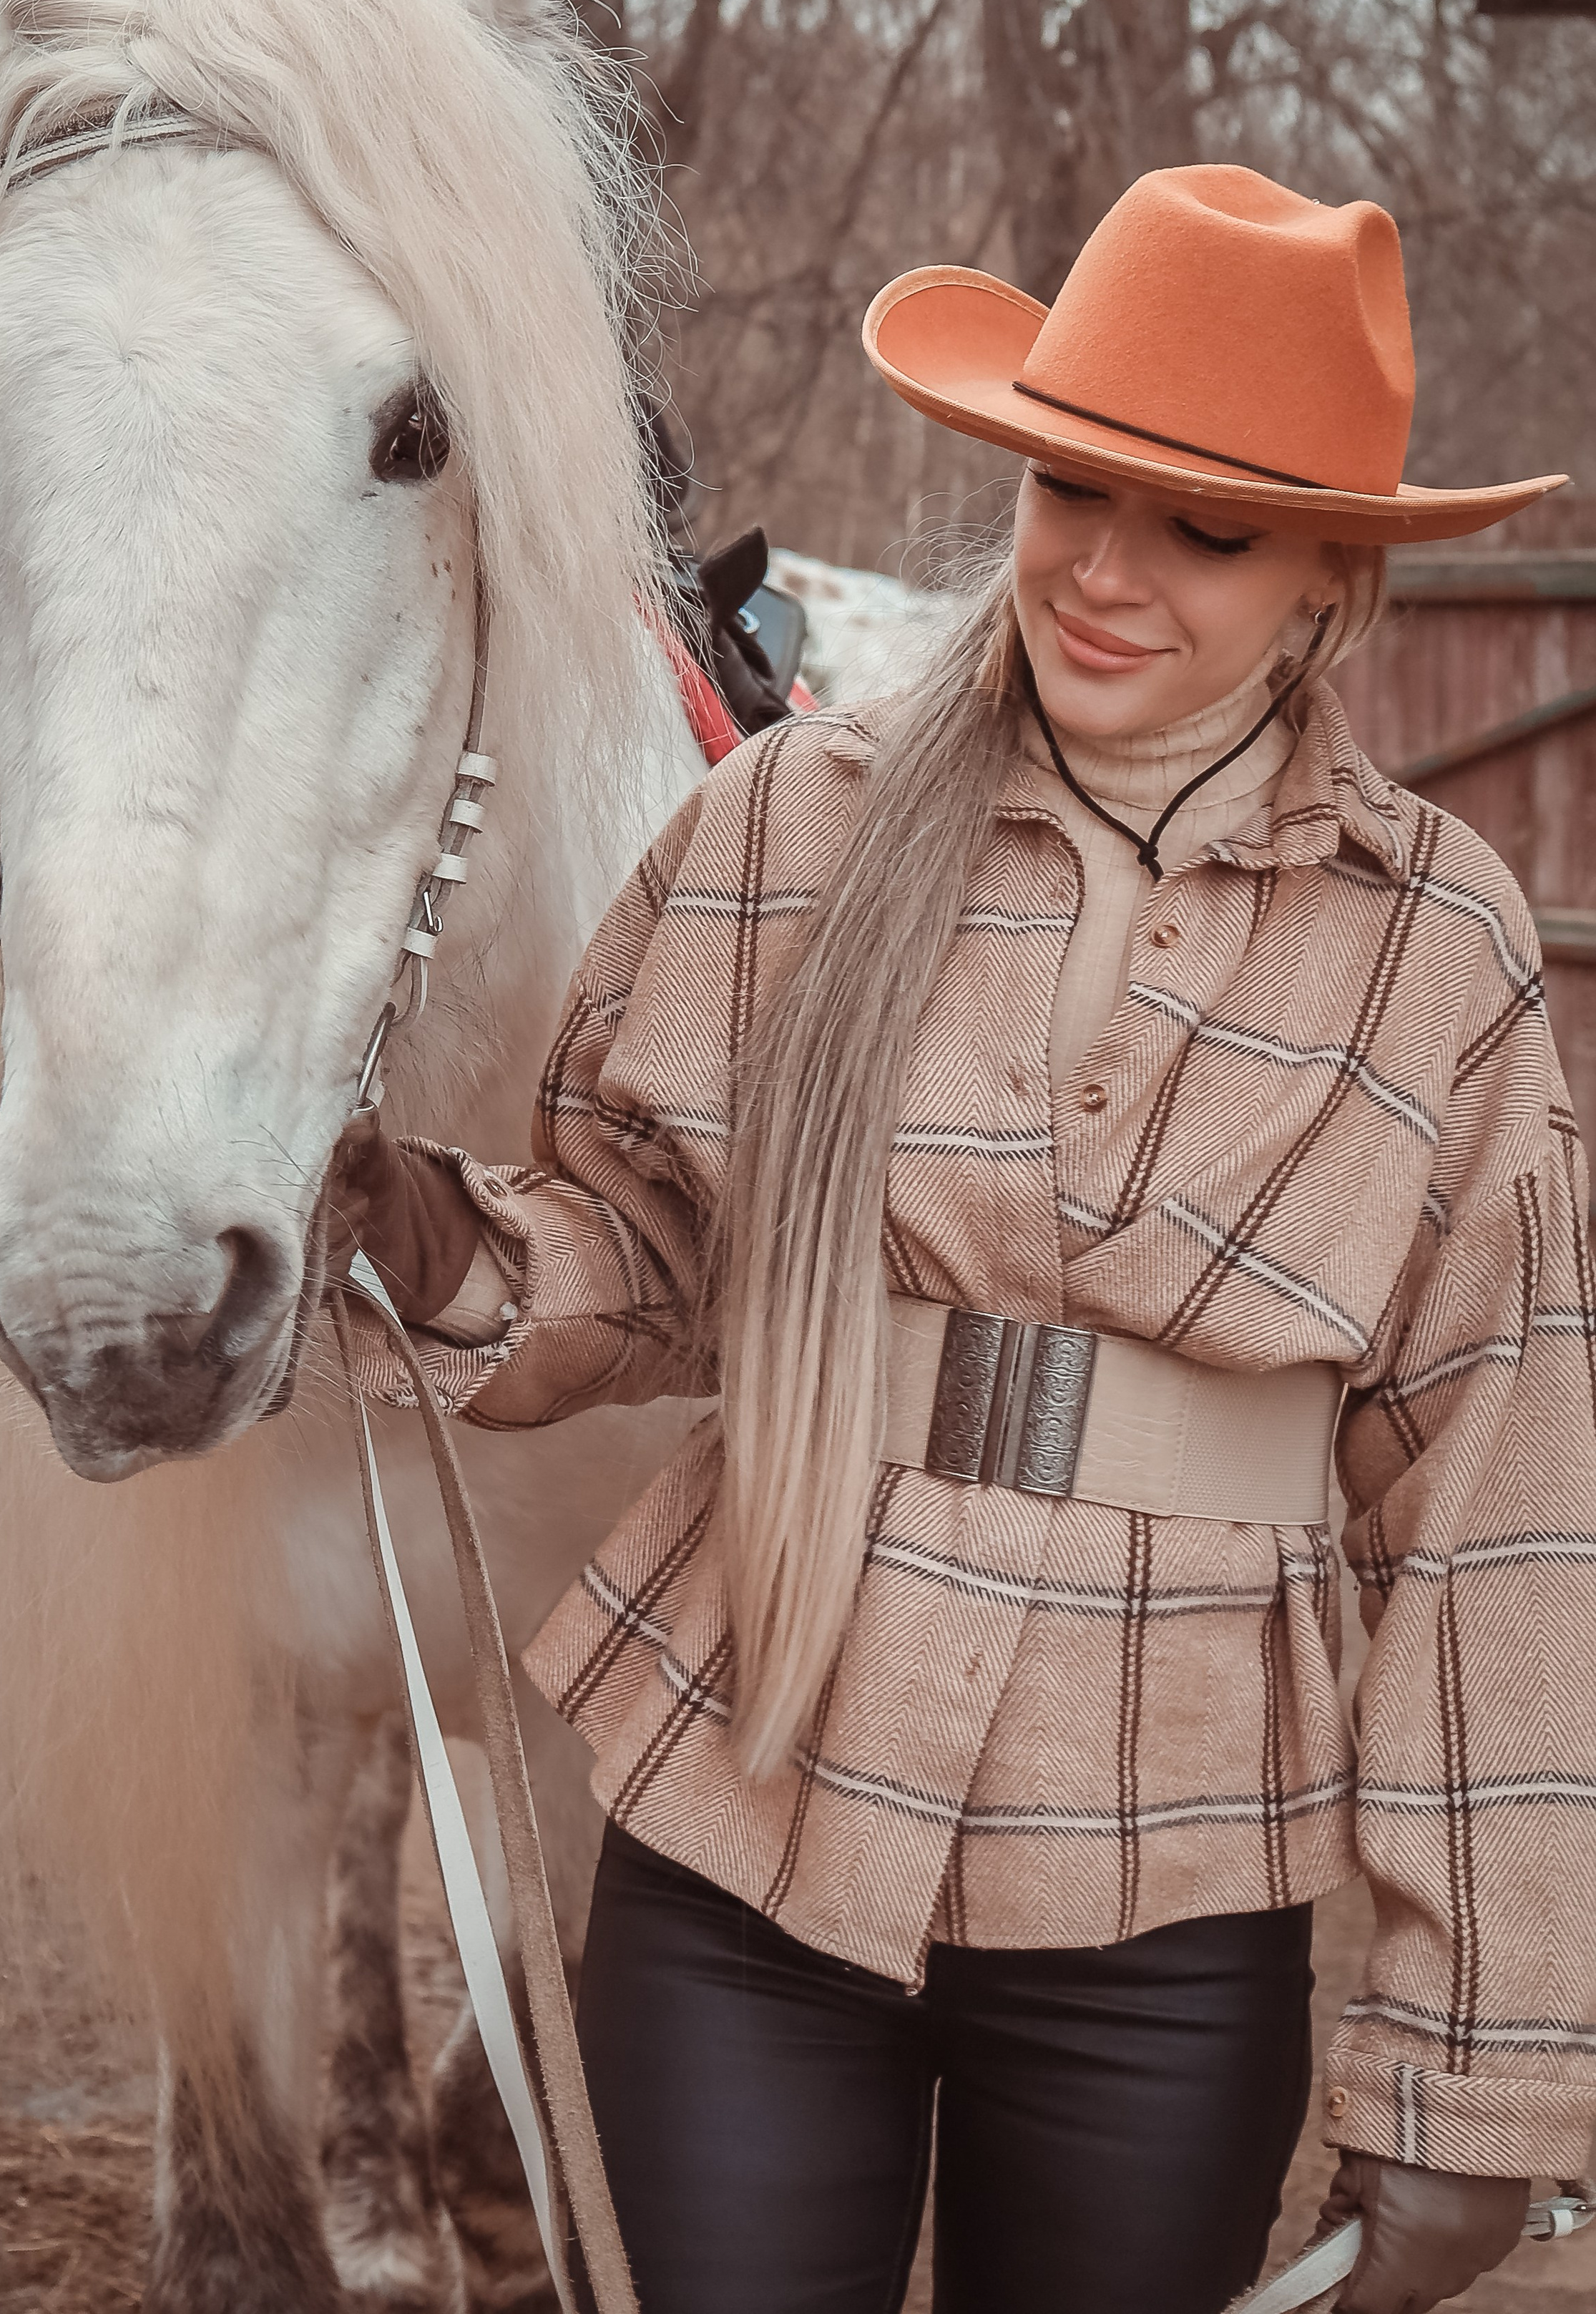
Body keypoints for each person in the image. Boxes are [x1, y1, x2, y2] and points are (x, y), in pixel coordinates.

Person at [332, 165, 1596, 2314]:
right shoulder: (793, 825)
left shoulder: (1437, 949)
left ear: (1330, 587)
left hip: (1171, 1887)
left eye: (1200, 528)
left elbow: (1498, 1521)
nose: (1102, 573)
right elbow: (656, 1242)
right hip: (744, 1805)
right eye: (1066, 490)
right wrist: (450, 1249)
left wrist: (1481, 2070)